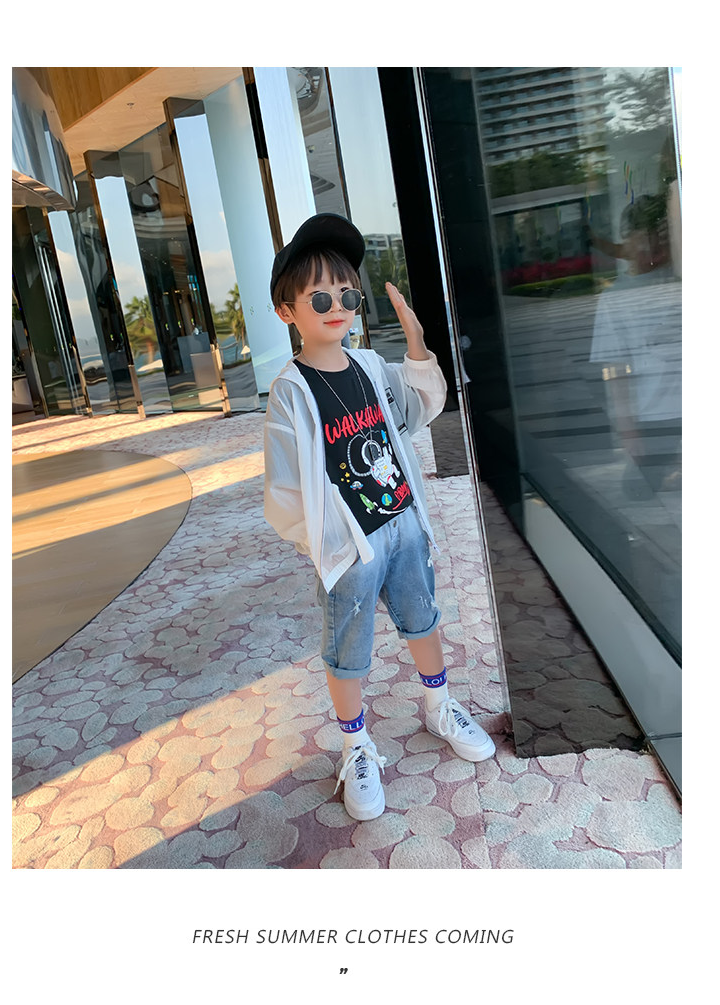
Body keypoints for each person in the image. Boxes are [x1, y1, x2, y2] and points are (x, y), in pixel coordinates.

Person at [263, 213, 496, 822]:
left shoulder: (369, 366)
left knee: (422, 617)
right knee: (348, 645)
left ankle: (439, 706)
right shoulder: (291, 390)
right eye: (319, 298)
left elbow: (417, 410)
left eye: (347, 296)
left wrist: (416, 343)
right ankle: (355, 744)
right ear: (288, 311)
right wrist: (326, 543)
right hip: (352, 545)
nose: (337, 307)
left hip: (401, 521)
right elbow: (283, 489)